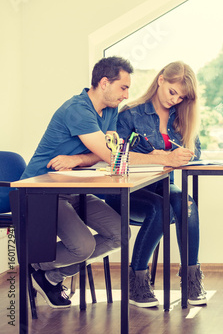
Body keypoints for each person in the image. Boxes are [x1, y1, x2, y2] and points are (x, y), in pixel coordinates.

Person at [21, 56, 134, 308]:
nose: (126, 95)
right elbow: (112, 155)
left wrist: (77, 159)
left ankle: (49, 275)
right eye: (123, 87)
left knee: (120, 234)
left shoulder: (110, 110)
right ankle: (34, 262)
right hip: (41, 190)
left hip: (74, 187)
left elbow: (107, 152)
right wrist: (98, 154)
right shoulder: (78, 110)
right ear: (104, 83)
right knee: (82, 247)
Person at [105, 61, 207, 308]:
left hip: (161, 189)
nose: (175, 100)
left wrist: (185, 153)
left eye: (181, 97)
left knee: (187, 202)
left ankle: (191, 278)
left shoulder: (180, 117)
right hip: (128, 192)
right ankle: (137, 280)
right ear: (161, 80)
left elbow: (198, 151)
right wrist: (164, 157)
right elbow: (115, 156)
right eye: (172, 92)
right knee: (161, 208)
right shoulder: (130, 114)